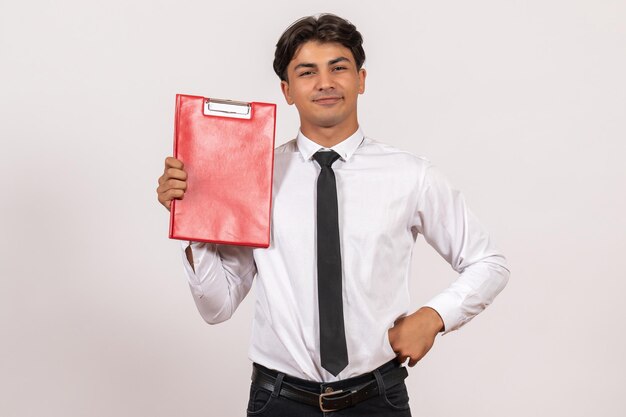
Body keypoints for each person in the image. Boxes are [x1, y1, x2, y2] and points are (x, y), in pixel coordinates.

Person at [157, 13, 509, 417]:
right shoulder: (253, 177)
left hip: (377, 398)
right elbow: (215, 308)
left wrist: (434, 317)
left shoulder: (411, 175)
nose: (325, 83)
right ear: (287, 90)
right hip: (278, 401)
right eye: (307, 72)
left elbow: (489, 262)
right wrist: (194, 220)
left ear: (361, 79)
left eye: (338, 68)